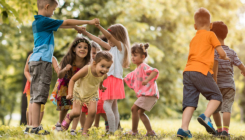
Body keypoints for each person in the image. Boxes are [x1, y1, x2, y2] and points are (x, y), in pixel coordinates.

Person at [27, 0, 97, 135]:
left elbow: (63, 25)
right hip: (42, 62)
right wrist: (87, 22)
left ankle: (31, 126)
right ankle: (35, 127)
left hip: (36, 61)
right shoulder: (44, 21)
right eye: (53, 10)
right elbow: (65, 22)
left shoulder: (38, 22)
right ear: (47, 7)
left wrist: (76, 28)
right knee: (39, 97)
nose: (53, 13)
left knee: (35, 96)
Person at [176, 7, 230, 139]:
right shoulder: (211, 34)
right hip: (201, 70)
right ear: (211, 26)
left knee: (189, 102)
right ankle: (206, 116)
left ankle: (183, 129)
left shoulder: (194, 39)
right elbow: (221, 52)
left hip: (188, 72)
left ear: (195, 26)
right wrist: (225, 57)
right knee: (217, 96)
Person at [80, 20, 130, 134]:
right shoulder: (112, 48)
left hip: (113, 80)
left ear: (117, 37)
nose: (108, 40)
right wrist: (86, 33)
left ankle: (111, 131)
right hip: (111, 80)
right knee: (114, 108)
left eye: (110, 38)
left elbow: (108, 36)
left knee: (107, 106)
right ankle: (116, 130)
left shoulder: (121, 47)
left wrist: (99, 26)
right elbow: (98, 40)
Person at [61, 51, 113, 136]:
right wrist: (70, 93)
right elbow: (72, 80)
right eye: (102, 66)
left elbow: (101, 80)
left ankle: (85, 132)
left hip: (92, 94)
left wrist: (101, 86)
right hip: (79, 92)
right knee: (77, 112)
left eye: (108, 67)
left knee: (92, 112)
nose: (105, 69)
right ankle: (69, 117)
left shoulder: (104, 75)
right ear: (95, 63)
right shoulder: (86, 69)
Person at [49, 37, 91, 135]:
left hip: (78, 87)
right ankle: (59, 124)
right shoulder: (68, 59)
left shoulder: (87, 62)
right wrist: (64, 69)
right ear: (74, 49)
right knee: (65, 106)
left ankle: (72, 129)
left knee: (77, 108)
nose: (82, 49)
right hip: (65, 86)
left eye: (85, 47)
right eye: (79, 47)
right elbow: (59, 75)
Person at [211, 21, 245, 139]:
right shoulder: (231, 52)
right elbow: (241, 66)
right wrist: (243, 71)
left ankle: (219, 130)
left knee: (215, 109)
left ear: (212, 35)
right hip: (229, 86)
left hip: (215, 86)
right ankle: (225, 131)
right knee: (227, 108)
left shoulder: (212, 52)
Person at [124, 43, 159, 136]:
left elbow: (155, 71)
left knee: (134, 109)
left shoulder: (143, 66)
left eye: (135, 55)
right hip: (148, 94)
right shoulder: (137, 69)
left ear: (143, 56)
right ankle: (150, 132)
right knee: (140, 112)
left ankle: (134, 131)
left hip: (149, 94)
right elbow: (128, 77)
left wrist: (147, 79)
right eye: (132, 55)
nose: (132, 57)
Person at [23, 53, 59, 134]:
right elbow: (26, 71)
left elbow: (58, 71)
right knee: (30, 106)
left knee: (41, 107)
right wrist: (32, 81)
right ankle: (29, 126)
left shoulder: (51, 58)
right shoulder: (31, 56)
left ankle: (37, 126)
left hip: (43, 87)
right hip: (31, 86)